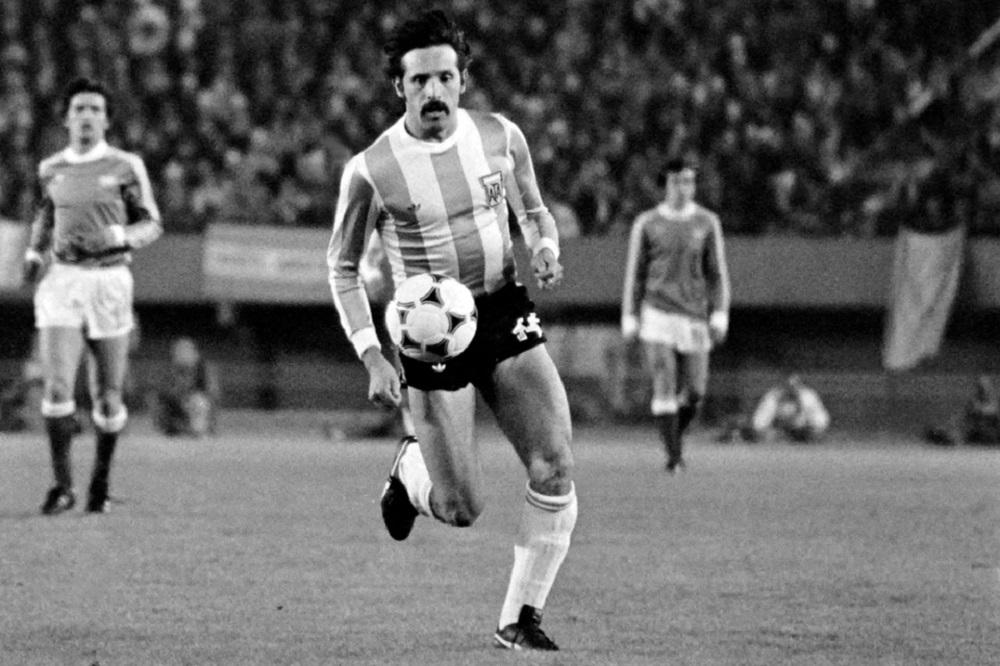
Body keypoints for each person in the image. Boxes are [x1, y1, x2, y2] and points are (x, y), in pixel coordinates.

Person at [327, 11, 576, 652]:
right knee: (462, 507)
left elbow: (534, 210)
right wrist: (372, 355)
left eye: (444, 77)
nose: (433, 91)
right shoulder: (372, 170)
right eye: (419, 81)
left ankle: (519, 619)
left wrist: (544, 247)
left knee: (555, 465)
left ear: (463, 79)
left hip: (500, 307)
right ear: (399, 87)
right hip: (428, 334)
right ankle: (413, 471)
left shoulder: (501, 136)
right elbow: (342, 267)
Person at [21, 77, 162, 514]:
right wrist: (33, 253)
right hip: (62, 281)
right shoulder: (50, 168)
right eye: (79, 108)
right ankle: (62, 486)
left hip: (109, 281)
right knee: (57, 385)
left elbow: (152, 223)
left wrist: (116, 235)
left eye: (95, 109)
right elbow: (45, 215)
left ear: (106, 120)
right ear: (66, 119)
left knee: (108, 395)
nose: (86, 115)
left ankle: (99, 483)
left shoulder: (126, 165)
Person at [621, 156, 731, 471]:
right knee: (665, 379)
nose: (683, 187)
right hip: (657, 311)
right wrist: (630, 315)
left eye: (688, 181)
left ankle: (673, 437)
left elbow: (717, 274)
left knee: (696, 390)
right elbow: (635, 274)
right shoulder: (647, 223)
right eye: (676, 181)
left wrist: (720, 313)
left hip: (694, 314)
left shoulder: (707, 222)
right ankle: (674, 457)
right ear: (665, 185)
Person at [152, 336, 219, 437]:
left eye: (186, 351)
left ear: (196, 354)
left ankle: (200, 430)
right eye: (179, 351)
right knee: (154, 401)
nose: (182, 354)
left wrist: (191, 399)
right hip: (176, 411)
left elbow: (213, 396)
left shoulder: (204, 370)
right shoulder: (168, 372)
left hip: (197, 410)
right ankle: (174, 429)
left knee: (199, 401)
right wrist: (180, 398)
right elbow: (161, 395)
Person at [746, 374, 830, 443]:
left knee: (814, 435)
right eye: (787, 386)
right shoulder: (773, 396)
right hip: (779, 430)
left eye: (794, 387)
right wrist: (765, 431)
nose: (791, 390)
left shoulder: (808, 396)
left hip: (805, 430)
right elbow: (759, 422)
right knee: (767, 436)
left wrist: (813, 429)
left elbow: (821, 421)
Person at [925, 374, 1000, 446]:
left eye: (983, 387)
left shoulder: (992, 403)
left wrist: (979, 410)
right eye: (979, 387)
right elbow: (964, 419)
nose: (981, 390)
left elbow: (991, 414)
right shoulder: (974, 403)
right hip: (977, 432)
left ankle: (951, 437)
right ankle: (949, 435)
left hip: (989, 433)